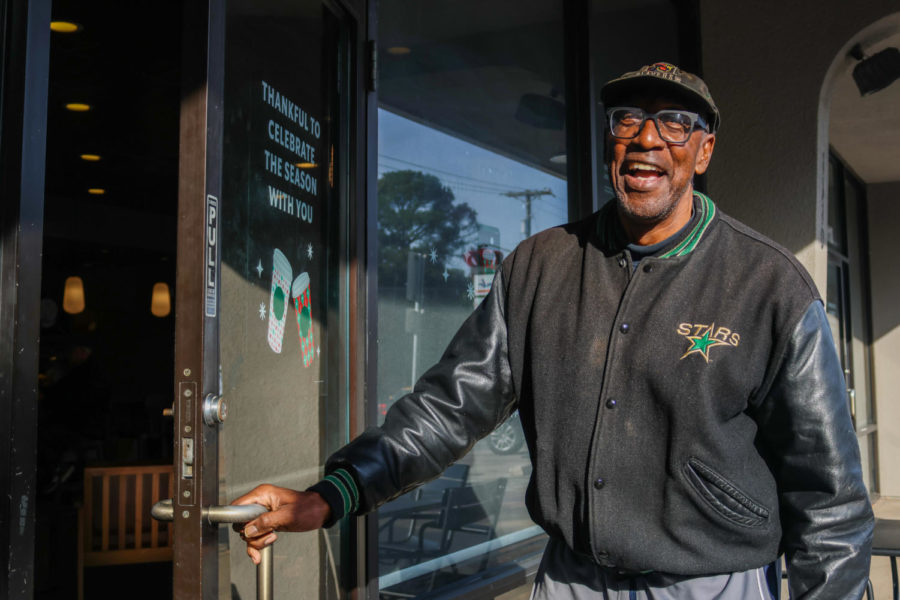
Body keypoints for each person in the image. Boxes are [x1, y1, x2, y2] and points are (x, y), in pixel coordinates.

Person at [233, 62, 874, 599]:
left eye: (676, 123)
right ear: (608, 141)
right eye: (628, 119)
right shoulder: (540, 266)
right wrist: (333, 494)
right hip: (571, 581)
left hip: (709, 583)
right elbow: (448, 408)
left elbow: (830, 499)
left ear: (704, 152)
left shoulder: (770, 285)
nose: (648, 138)